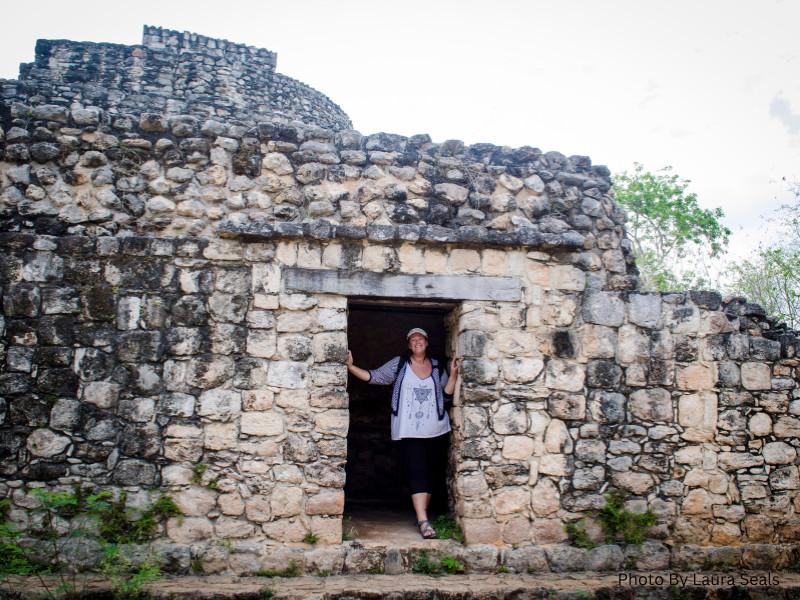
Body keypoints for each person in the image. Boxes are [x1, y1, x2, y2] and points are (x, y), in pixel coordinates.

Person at [347, 327, 459, 540]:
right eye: (413, 339)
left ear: (426, 343)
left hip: (435, 429)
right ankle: (423, 520)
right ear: (409, 345)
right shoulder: (399, 364)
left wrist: (453, 375)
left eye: (421, 339)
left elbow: (445, 396)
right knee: (416, 471)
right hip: (408, 430)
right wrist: (351, 368)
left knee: (429, 473)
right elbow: (375, 376)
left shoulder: (436, 366)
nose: (417, 342)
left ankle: (421, 516)